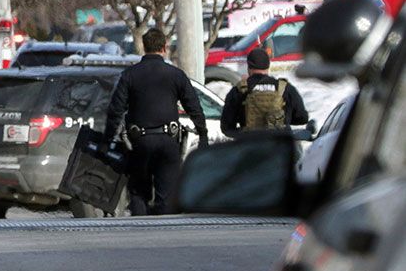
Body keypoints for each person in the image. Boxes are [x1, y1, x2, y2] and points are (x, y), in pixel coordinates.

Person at [104, 28, 209, 216]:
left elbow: (115, 111)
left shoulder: (130, 75)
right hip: (168, 142)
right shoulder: (176, 75)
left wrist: (107, 140)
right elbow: (194, 107)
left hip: (139, 143)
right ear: (164, 47)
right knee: (167, 195)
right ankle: (163, 237)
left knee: (138, 192)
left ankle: (140, 234)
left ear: (144, 47)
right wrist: (202, 134)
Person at [220, 48, 309, 136]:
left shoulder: (239, 90)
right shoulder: (284, 88)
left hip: (249, 146)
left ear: (249, 67)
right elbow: (302, 118)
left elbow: (227, 127)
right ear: (268, 66)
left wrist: (244, 132)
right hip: (280, 146)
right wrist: (284, 120)